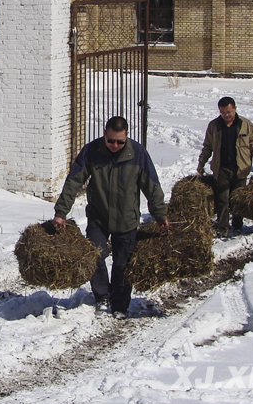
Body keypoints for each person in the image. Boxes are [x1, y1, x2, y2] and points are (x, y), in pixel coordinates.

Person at [53, 116, 168, 320]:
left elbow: (152, 185)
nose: (115, 145)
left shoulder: (138, 154)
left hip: (127, 220)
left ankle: (120, 304)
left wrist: (159, 214)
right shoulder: (92, 151)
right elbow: (74, 181)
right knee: (95, 256)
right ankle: (103, 296)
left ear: (126, 137)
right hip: (99, 217)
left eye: (120, 141)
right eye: (111, 140)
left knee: (123, 264)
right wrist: (61, 212)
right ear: (105, 134)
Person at [197, 97, 253, 237]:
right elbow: (207, 146)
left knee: (237, 198)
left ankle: (237, 224)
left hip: (241, 168)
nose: (226, 115)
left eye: (228, 112)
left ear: (234, 109)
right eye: (222, 113)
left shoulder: (246, 125)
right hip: (221, 168)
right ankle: (223, 227)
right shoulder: (214, 126)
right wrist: (201, 163)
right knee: (222, 199)